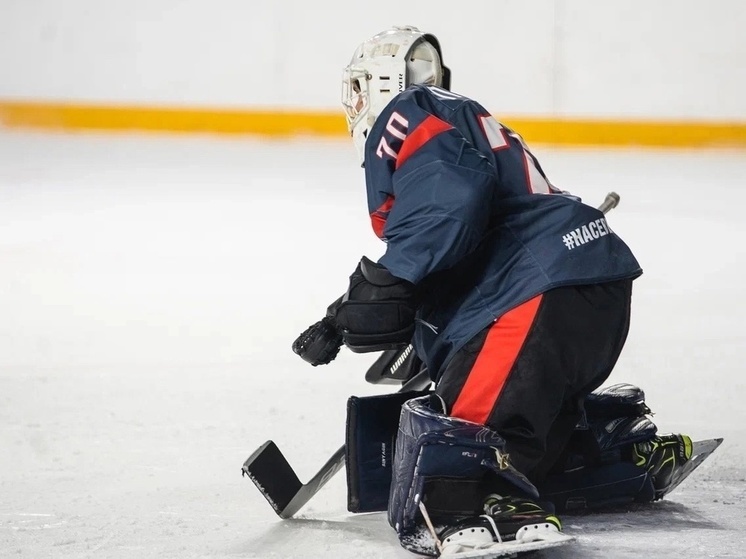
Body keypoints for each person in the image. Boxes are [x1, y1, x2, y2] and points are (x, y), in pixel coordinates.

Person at [292, 25, 693, 557]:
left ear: (386, 82)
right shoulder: (466, 116)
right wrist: (364, 313)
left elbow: (449, 199)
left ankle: (478, 496)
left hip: (531, 300)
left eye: (362, 86)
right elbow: (479, 222)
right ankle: (601, 452)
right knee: (526, 421)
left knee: (458, 449)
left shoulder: (406, 111)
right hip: (590, 287)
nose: (358, 102)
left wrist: (391, 283)